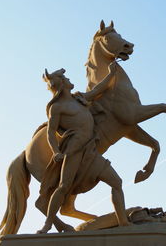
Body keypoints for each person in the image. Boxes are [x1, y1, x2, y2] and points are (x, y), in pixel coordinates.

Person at [37, 62, 130, 233]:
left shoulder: (79, 98)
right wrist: (57, 152)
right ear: (60, 84)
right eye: (65, 78)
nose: (68, 79)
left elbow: (97, 90)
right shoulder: (57, 107)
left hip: (90, 149)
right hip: (73, 150)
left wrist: (111, 75)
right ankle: (48, 225)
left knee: (116, 182)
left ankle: (124, 224)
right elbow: (50, 132)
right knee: (64, 187)